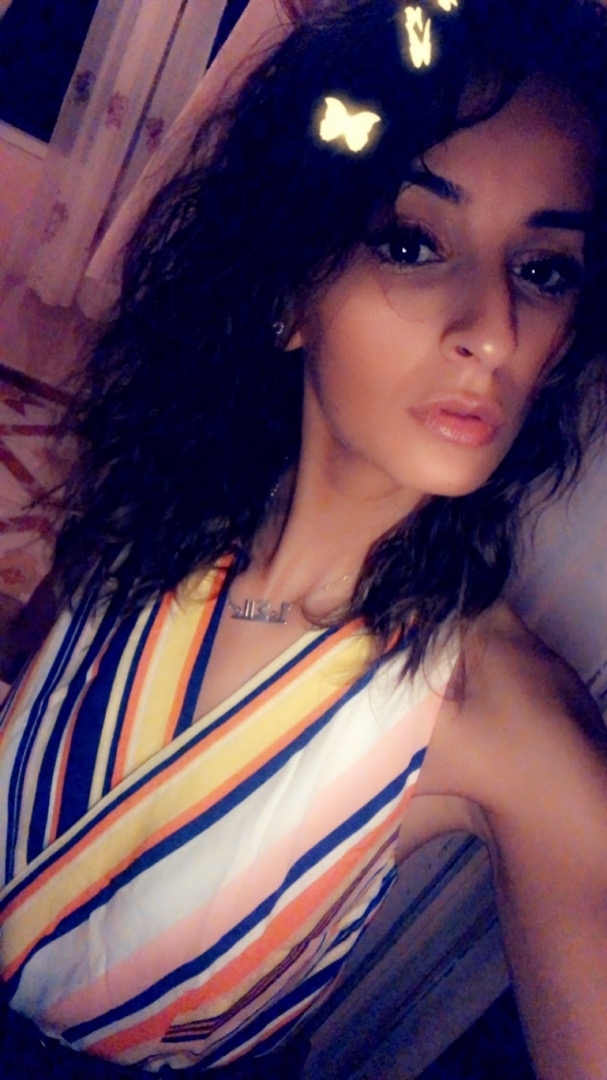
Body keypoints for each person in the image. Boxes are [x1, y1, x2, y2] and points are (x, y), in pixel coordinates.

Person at [1, 0, 607, 1076]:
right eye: (413, 243)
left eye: (542, 269)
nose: (492, 330)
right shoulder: (172, 501)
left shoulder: (501, 714)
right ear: (289, 288)